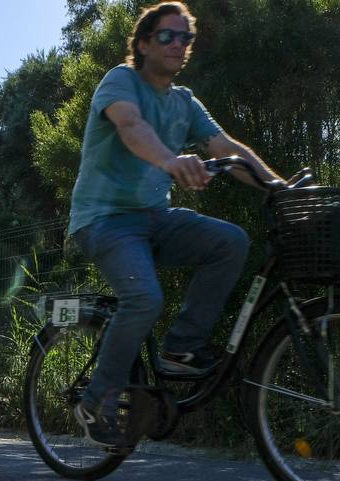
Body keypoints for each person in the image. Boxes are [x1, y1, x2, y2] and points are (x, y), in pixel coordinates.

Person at [69, 2, 285, 446]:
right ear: (144, 43)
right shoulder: (121, 81)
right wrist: (170, 160)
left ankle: (181, 348)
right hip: (105, 220)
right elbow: (130, 127)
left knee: (230, 242)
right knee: (145, 299)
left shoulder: (184, 103)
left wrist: (278, 186)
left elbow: (225, 148)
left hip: (156, 219)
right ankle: (95, 400)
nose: (177, 44)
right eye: (167, 36)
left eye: (185, 37)